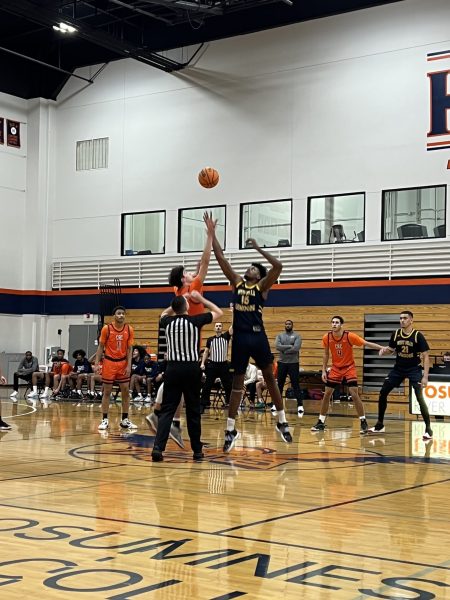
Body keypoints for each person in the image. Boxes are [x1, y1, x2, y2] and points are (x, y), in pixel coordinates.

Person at [204, 212, 292, 452]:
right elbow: (220, 256)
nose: (249, 268)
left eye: (254, 267)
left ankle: (282, 421)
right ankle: (231, 428)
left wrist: (258, 249)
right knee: (236, 385)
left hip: (258, 336)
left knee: (271, 380)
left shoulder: (262, 287)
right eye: (250, 266)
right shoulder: (236, 281)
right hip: (241, 338)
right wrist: (212, 234)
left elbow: (278, 265)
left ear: (259, 276)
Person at [150, 212, 215, 444]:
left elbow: (166, 312)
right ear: (185, 279)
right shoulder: (193, 288)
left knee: (173, 382)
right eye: (188, 272)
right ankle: (157, 413)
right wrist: (210, 235)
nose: (192, 273)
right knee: (183, 389)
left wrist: (165, 314)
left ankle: (172, 423)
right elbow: (207, 261)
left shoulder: (177, 293)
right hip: (189, 345)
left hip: (178, 346)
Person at [151, 291, 223, 462]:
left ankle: (157, 448)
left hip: (173, 369)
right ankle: (197, 451)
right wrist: (201, 299)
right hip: (191, 369)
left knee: (167, 410)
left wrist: (177, 302)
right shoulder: (195, 321)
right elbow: (219, 312)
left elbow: (164, 313)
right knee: (192, 410)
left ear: (174, 308)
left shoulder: (167, 321)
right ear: (187, 306)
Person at [311, 316, 386, 434]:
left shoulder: (349, 336)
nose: (334, 324)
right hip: (336, 368)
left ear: (341, 325)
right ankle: (320, 422)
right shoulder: (327, 337)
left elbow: (366, 343)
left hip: (349, 367)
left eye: (337, 322)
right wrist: (324, 370)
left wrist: (382, 348)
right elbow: (326, 354)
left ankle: (363, 421)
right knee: (327, 394)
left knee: (353, 393)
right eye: (333, 322)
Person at [369, 310, 433, 440]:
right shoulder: (396, 334)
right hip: (398, 369)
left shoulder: (417, 336)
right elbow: (391, 350)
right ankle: (380, 424)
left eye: (405, 318)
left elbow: (426, 356)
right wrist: (383, 351)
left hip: (414, 369)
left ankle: (428, 429)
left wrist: (425, 376)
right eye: (400, 318)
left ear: (411, 320)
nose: (402, 320)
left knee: (419, 397)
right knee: (383, 392)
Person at [95, 306, 136, 431]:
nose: (121, 315)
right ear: (114, 315)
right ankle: (105, 420)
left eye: (123, 313)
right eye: (119, 313)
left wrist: (129, 365)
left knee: (125, 392)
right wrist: (97, 363)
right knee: (107, 392)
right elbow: (101, 347)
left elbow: (130, 349)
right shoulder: (107, 329)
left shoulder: (129, 329)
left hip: (123, 363)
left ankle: (124, 420)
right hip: (109, 363)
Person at [200, 322, 232, 412]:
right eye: (217, 326)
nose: (218, 327)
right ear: (214, 328)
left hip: (223, 365)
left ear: (222, 328)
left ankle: (229, 403)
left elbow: (232, 327)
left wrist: (235, 313)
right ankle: (203, 404)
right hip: (212, 365)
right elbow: (206, 352)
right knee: (207, 385)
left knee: (228, 385)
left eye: (220, 326)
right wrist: (202, 363)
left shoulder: (226, 336)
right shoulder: (210, 339)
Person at [275, 320, 303, 416]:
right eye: (286, 324)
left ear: (292, 325)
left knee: (295, 384)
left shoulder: (297, 336)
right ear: (284, 325)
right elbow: (277, 346)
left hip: (293, 363)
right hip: (282, 363)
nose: (288, 325)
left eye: (289, 324)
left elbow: (296, 348)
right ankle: (276, 404)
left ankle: (300, 405)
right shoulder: (280, 336)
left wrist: (284, 350)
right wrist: (289, 346)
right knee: (280, 385)